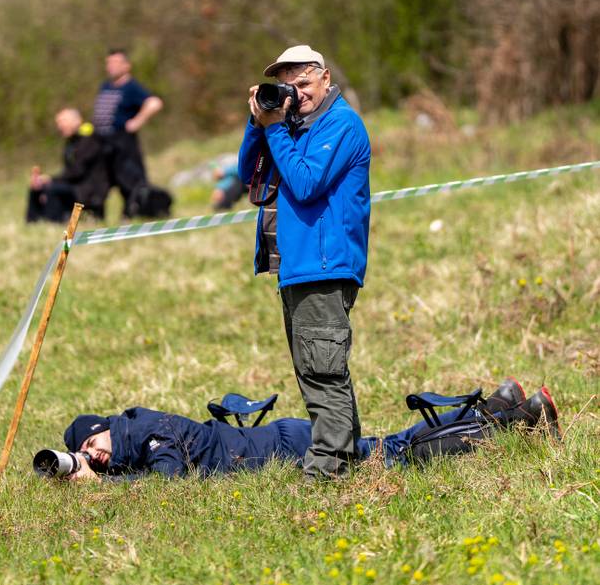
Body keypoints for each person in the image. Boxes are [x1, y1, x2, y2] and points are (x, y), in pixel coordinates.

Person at [238, 45, 372, 479]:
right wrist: (258, 124)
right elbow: (250, 174)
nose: (297, 95)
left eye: (303, 84)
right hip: (297, 266)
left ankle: (327, 469)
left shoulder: (341, 124)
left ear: (326, 78)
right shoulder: (292, 126)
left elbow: (307, 182)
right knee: (313, 368)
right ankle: (346, 457)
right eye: (287, 87)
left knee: (322, 370)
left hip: (325, 265)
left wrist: (276, 130)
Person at [58, 379, 562, 482]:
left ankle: (506, 417)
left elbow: (167, 480)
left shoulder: (146, 430)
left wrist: (103, 486)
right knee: (392, 448)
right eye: (85, 454)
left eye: (90, 445)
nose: (94, 454)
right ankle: (504, 408)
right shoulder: (131, 442)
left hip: (287, 445)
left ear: (104, 428)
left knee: (395, 457)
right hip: (284, 439)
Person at [92, 48, 164, 218]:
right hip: (102, 142)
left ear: (126, 66)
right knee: (99, 182)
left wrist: (138, 121)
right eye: (108, 63)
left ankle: (136, 214)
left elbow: (154, 103)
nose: (111, 67)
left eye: (115, 63)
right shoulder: (106, 86)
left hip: (122, 143)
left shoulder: (131, 87)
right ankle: (95, 216)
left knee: (131, 182)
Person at [26, 108, 109, 222]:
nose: (60, 126)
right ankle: (33, 222)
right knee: (36, 187)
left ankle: (53, 222)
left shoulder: (90, 140)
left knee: (51, 188)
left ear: (77, 121)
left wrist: (51, 179)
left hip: (88, 191)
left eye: (63, 121)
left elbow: (77, 171)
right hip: (74, 186)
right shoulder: (72, 141)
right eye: (58, 123)